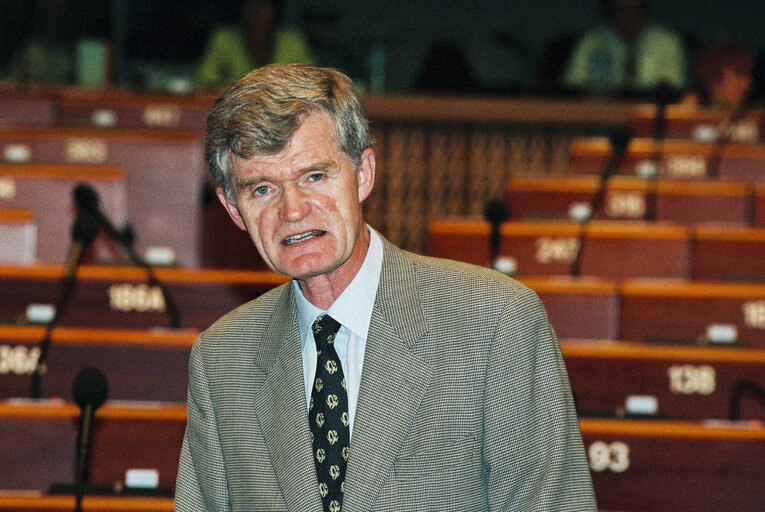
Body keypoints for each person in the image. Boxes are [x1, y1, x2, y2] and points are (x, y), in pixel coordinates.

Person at [175, 62, 597, 511]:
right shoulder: (221, 360)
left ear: (363, 173)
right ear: (233, 208)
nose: (292, 210)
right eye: (262, 189)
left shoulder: (495, 322)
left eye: (314, 176)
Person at [562, 0, 686, 95]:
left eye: (635, 12)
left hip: (650, 115)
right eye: (623, 12)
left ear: (645, 11)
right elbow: (572, 86)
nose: (629, 19)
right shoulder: (593, 42)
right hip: (604, 115)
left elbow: (675, 89)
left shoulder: (667, 42)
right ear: (611, 12)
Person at [196, 0, 315, 89]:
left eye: (263, 7)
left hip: (283, 114)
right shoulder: (224, 39)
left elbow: (310, 82)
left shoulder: (292, 41)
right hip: (234, 111)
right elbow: (206, 81)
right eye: (251, 6)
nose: (257, 14)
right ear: (241, 10)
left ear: (274, 11)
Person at [681, 42, 754, 107]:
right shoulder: (691, 108)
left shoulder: (757, 115)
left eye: (749, 74)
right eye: (739, 74)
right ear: (714, 77)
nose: (748, 82)